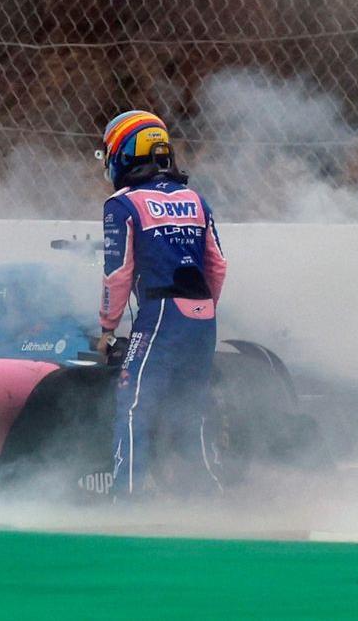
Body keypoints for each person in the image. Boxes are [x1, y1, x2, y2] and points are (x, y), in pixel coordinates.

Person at [95, 110, 228, 499]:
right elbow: (217, 266)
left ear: (124, 152)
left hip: (161, 314)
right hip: (204, 315)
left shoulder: (122, 205)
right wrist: (204, 309)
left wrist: (107, 327)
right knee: (192, 407)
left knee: (134, 402)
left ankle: (127, 497)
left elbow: (117, 274)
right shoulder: (196, 200)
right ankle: (207, 498)